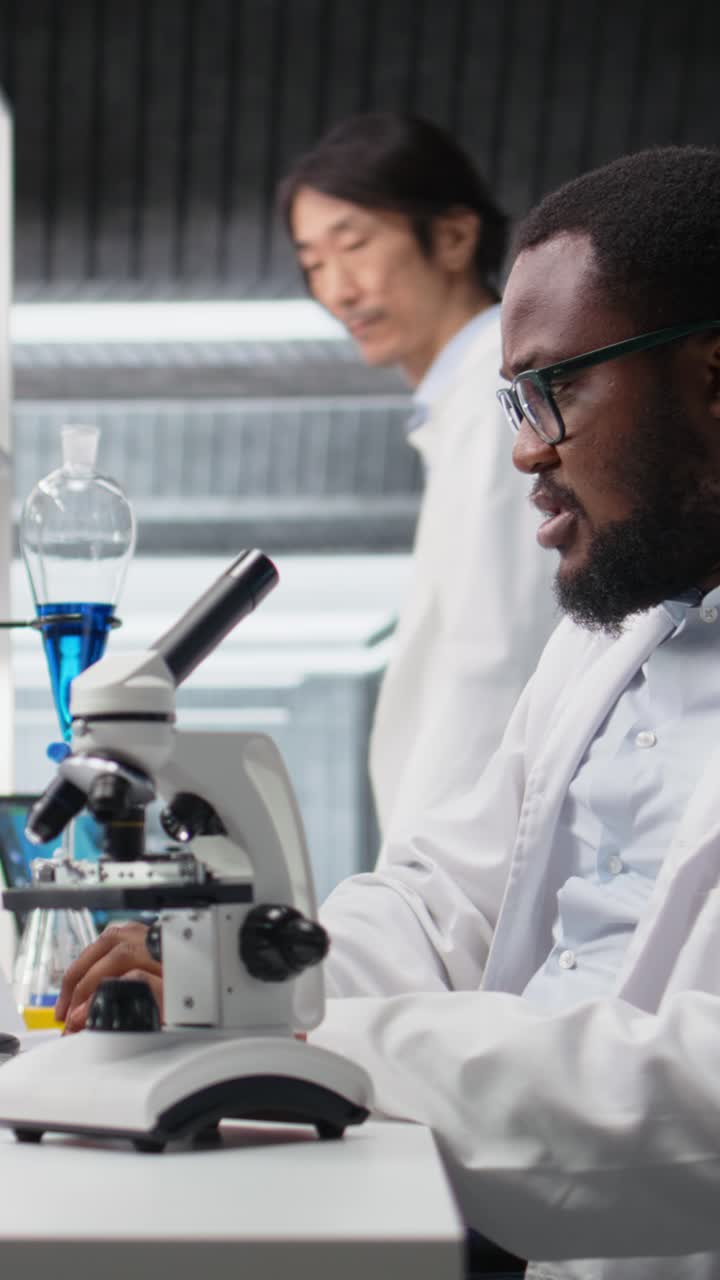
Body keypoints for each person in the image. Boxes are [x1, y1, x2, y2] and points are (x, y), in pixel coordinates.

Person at [56, 144, 720, 1280]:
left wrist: (303, 1033)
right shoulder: (612, 634)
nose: (526, 447)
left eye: (555, 388)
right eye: (514, 400)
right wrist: (237, 980)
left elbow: (699, 1089)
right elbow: (443, 894)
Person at [278, 113, 557, 837]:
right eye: (313, 263)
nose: (338, 290)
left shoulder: (499, 402)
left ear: (456, 237)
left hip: (469, 856)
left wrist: (416, 877)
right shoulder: (463, 404)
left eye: (354, 246)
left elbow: (491, 662)